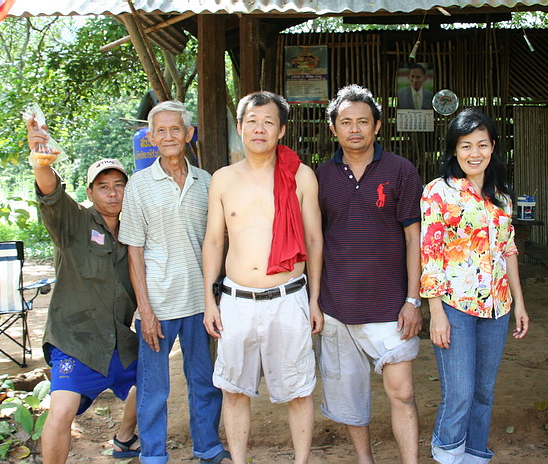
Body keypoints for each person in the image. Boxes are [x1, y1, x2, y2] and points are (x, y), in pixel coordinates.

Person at [202, 91, 324, 464]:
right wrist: (210, 301)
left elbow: (315, 240)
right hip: (237, 301)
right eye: (252, 121)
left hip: (289, 297)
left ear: (281, 130)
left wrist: (314, 300)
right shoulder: (223, 179)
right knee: (234, 390)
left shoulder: (300, 176)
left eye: (269, 122)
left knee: (298, 390)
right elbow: (214, 240)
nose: (260, 129)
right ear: (240, 127)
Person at [118, 101, 230, 464]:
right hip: (159, 304)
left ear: (189, 134)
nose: (168, 137)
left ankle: (208, 448)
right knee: (154, 388)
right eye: (161, 131)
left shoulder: (206, 182)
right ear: (151, 137)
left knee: (204, 382)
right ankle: (153, 455)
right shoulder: (138, 185)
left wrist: (215, 298)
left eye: (175, 129)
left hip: (200, 302)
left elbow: (218, 242)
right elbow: (134, 252)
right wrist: (146, 311)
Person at [317, 84, 423, 464]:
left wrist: (413, 300)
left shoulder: (401, 170)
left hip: (391, 307)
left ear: (377, 126)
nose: (355, 129)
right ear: (334, 128)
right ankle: (365, 460)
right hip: (337, 307)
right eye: (346, 122)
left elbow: (414, 239)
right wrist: (314, 303)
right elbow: (315, 241)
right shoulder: (320, 176)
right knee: (350, 400)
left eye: (363, 121)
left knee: (402, 393)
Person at [419, 108, 529, 463]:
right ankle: (448, 455)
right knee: (460, 393)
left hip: (498, 308)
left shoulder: (501, 196)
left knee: (483, 393)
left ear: (493, 146)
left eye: (482, 144)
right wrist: (436, 313)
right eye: (466, 145)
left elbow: (508, 251)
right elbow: (430, 253)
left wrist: (519, 304)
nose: (474, 153)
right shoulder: (438, 192)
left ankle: (475, 456)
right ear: (454, 150)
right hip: (456, 308)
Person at [27, 120, 140, 463]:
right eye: (103, 187)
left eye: (119, 185)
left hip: (120, 341)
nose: (112, 193)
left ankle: (125, 439)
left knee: (152, 385)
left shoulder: (136, 230)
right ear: (90, 193)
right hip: (76, 342)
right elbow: (51, 193)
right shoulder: (73, 221)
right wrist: (40, 160)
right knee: (61, 411)